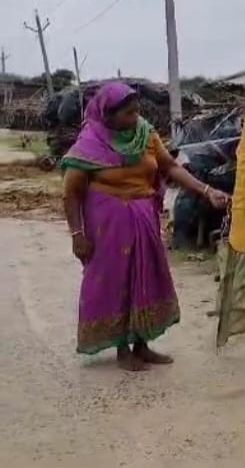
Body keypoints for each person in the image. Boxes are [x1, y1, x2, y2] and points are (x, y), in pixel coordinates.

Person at [61, 82, 230, 371]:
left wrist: (206, 190)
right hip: (108, 227)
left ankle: (142, 344)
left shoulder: (145, 134)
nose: (135, 118)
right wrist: (78, 235)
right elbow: (71, 193)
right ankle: (121, 348)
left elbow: (170, 167)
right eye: (128, 113)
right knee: (116, 282)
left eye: (137, 111)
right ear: (108, 115)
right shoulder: (90, 143)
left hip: (144, 220)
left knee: (146, 278)